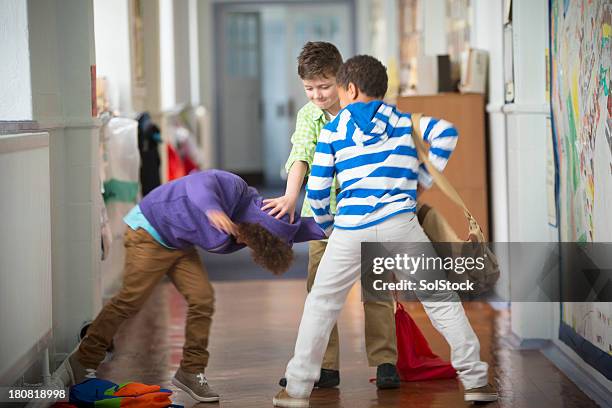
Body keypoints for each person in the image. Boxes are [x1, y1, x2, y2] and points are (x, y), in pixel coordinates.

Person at [273, 55, 498, 407]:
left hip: (349, 227)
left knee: (321, 304)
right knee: (441, 301)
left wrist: (331, 226)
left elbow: (317, 191)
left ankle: (297, 389)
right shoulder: (404, 120)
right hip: (401, 225)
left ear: (350, 89)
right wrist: (420, 183)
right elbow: (446, 134)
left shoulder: (335, 130)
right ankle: (477, 381)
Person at [60, 169, 325, 403]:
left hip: (178, 244)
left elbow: (305, 228)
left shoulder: (256, 234)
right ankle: (83, 360)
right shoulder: (234, 188)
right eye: (255, 239)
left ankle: (190, 370)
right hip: (150, 231)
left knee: (203, 299)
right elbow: (198, 183)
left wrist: (344, 223)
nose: (247, 244)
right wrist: (213, 209)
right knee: (131, 300)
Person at [263, 41, 400, 389]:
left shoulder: (366, 108)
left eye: (324, 86)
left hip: (369, 214)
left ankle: (385, 362)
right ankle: (324, 367)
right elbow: (301, 155)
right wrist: (292, 195)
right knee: (319, 293)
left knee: (377, 288)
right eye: (309, 88)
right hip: (321, 219)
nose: (317, 95)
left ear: (342, 80)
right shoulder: (308, 116)